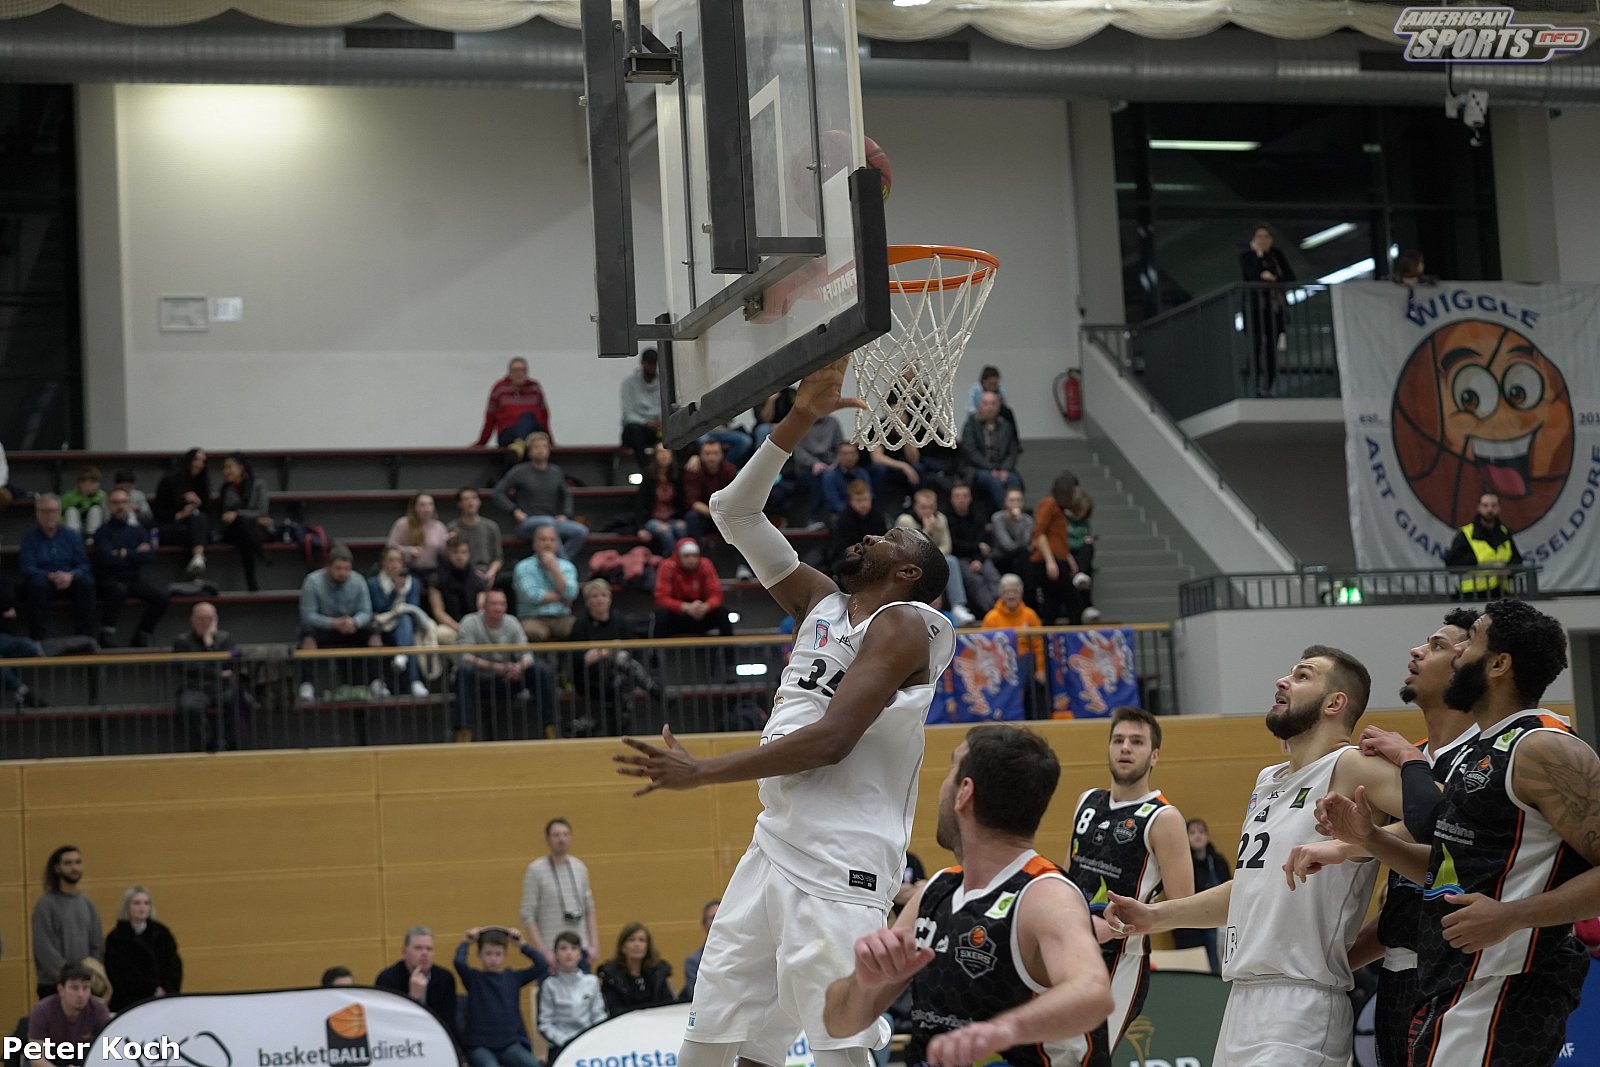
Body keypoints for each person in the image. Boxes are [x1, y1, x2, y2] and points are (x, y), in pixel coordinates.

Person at [613, 357, 957, 1067]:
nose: (867, 537)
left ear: (908, 572)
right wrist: (799, 419)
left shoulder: (905, 624)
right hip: (775, 842)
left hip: (841, 864)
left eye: (887, 539)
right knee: (713, 1041)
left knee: (838, 1051)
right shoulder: (821, 602)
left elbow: (831, 739)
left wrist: (704, 772)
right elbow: (732, 512)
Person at [1315, 600, 1598, 1067]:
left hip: (1509, 983)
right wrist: (1371, 839)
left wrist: (1511, 916)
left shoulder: (1544, 747)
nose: (1457, 652)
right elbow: (1449, 868)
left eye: (1470, 642)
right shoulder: (1475, 753)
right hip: (1453, 984)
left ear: (1499, 664)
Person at [1104, 645, 1407, 1067]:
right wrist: (1156, 916)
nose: (1283, 680)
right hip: (1241, 1001)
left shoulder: (1351, 766)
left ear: (1335, 703)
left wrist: (1352, 844)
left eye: (1303, 676)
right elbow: (1248, 889)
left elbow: (1446, 820)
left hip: (1302, 1004)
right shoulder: (1268, 779)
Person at [822, 725, 1114, 1064]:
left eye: (950, 770)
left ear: (964, 792)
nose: (941, 787)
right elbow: (838, 1025)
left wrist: (999, 1031)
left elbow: (1094, 993)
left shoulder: (1045, 894)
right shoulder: (936, 891)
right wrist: (864, 983)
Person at [1334, 609, 1480, 1067]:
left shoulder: (1488, 759)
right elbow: (1405, 906)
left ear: (1470, 663)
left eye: (1437, 646)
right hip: (1396, 979)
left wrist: (1344, 845)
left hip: (1463, 977)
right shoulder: (1399, 760)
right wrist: (1330, 965)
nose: (1417, 651)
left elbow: (1453, 854)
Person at [1064, 707, 1194, 1065]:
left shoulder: (1164, 817)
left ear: (1154, 756)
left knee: (1086, 1058)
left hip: (1121, 958)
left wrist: (1119, 927)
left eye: (1137, 742)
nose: (1125, 747)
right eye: (1118, 740)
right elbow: (1068, 877)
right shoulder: (1087, 801)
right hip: (1070, 949)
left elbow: (1184, 908)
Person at [455, 589, 556, 742]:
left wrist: (518, 667)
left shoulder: (512, 622)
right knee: (464, 671)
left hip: (508, 678)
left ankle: (551, 728)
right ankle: (464, 733)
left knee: (541, 670)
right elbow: (465, 657)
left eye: (502, 604)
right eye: (494, 604)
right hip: (480, 679)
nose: (498, 608)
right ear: (484, 606)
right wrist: (496, 667)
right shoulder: (470, 622)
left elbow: (527, 655)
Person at [569, 579, 661, 738]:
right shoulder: (580, 624)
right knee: (620, 659)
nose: (600, 599)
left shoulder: (619, 620)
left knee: (621, 678)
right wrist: (609, 650)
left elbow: (630, 650)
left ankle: (619, 733)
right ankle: (653, 689)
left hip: (618, 676)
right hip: (590, 678)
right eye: (594, 596)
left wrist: (602, 652)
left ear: (610, 599)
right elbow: (583, 659)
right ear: (587, 602)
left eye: (603, 595)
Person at [297, 544, 381, 702]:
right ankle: (307, 684)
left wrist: (354, 622)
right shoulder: (313, 581)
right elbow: (308, 615)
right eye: (338, 568)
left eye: (347, 568)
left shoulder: (358, 581)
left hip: (351, 628)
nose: (343, 573)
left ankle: (376, 681)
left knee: (373, 631)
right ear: (328, 567)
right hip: (324, 629)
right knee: (307, 632)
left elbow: (366, 611)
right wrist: (332, 623)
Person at [454, 927, 549, 1067]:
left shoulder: (513, 978)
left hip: (508, 1045)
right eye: (488, 954)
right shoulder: (473, 979)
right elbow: (458, 962)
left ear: (504, 956)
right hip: (480, 1047)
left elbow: (542, 965)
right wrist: (466, 942)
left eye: (498, 954)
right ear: (479, 955)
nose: (493, 959)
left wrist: (522, 945)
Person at [91, 487, 167, 647]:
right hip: (108, 579)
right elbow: (107, 559)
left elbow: (150, 556)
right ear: (109, 505)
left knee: (162, 596)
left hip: (133, 579)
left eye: (123, 502)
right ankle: (106, 632)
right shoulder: (102, 532)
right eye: (115, 502)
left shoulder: (137, 530)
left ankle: (143, 633)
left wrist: (124, 553)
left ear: (129, 504)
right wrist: (135, 554)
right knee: (119, 590)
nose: (120, 506)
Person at [491, 433, 587, 559]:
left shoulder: (556, 472)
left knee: (580, 531)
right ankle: (562, 567)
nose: (541, 450)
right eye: (536, 447)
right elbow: (497, 493)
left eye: (544, 447)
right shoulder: (519, 471)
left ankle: (559, 563)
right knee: (547, 525)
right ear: (529, 452)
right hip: (528, 522)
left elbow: (566, 495)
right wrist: (514, 510)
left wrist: (565, 514)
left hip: (552, 520)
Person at [521, 818, 600, 966]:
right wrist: (543, 951)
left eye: (565, 834)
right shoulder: (535, 870)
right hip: (550, 952)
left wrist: (594, 945)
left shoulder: (580, 868)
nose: (561, 839)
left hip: (580, 949)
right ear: (548, 840)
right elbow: (527, 915)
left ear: (571, 838)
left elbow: (589, 908)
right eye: (556, 835)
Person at [18, 495, 97, 642]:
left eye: (53, 511)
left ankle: (86, 638)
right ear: (37, 514)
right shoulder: (29, 538)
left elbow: (84, 564)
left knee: (86, 582)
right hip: (44, 580)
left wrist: (71, 575)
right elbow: (27, 567)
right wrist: (49, 576)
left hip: (69, 579)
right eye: (44, 511)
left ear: (59, 513)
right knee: (36, 585)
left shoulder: (72, 536)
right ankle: (39, 640)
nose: (49, 515)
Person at [895, 488, 977, 626]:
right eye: (923, 507)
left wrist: (933, 557)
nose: (928, 511)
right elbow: (910, 549)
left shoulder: (941, 519)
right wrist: (927, 531)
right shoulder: (906, 520)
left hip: (934, 559)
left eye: (931, 507)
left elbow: (947, 546)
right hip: (909, 560)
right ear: (915, 507)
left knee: (951, 560)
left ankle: (958, 607)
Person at [31, 846, 104, 1001]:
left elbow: (97, 945)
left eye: (78, 862)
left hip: (84, 987)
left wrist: (89, 974)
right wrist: (70, 979)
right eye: (68, 863)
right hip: (54, 986)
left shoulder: (87, 904)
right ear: (57, 868)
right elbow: (45, 950)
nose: (74, 868)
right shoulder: (46, 905)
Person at [173, 601, 245, 753]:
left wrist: (210, 645)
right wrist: (216, 672)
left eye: (210, 619)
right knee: (190, 707)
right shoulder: (182, 641)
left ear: (216, 620)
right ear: (192, 620)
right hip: (194, 687)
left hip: (222, 687)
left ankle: (228, 745)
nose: (206, 623)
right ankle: (204, 748)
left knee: (241, 701)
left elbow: (230, 663)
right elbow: (189, 668)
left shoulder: (225, 638)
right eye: (201, 619)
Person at [375, 927, 460, 1049]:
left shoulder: (445, 978)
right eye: (418, 948)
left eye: (429, 949)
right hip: (401, 1044)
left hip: (436, 1040)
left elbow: (448, 1022)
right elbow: (387, 1024)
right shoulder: (387, 979)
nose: (424, 953)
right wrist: (413, 998)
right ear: (404, 952)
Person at [103, 886, 183, 1011]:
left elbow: (174, 966)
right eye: (136, 903)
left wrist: (165, 989)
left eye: (146, 903)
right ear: (127, 907)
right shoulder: (116, 938)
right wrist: (150, 990)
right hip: (129, 1002)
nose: (142, 907)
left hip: (164, 1000)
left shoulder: (162, 933)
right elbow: (118, 973)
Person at [1239, 223, 1295, 397]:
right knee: (1255, 347)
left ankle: (1267, 387)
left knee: (1271, 349)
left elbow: (1290, 277)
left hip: (1274, 310)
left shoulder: (1277, 256)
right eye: (1259, 237)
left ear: (1271, 240)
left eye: (1266, 237)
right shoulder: (1247, 256)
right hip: (1255, 309)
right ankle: (1254, 387)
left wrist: (1274, 278)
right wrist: (1259, 255)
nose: (1263, 240)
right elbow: (1251, 276)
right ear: (1253, 240)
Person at [1169, 819, 1231, 974]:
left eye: (1201, 832)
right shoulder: (1182, 863)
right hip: (1193, 920)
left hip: (1219, 919)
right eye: (1192, 833)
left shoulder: (1218, 860)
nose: (1198, 836)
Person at [369, 546, 432, 698]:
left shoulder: (413, 583)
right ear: (383, 563)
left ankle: (406, 667)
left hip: (405, 626)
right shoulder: (373, 583)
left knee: (405, 620)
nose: (395, 564)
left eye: (398, 560)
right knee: (401, 629)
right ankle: (406, 677)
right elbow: (379, 608)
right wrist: (394, 593)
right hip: (382, 627)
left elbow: (413, 607)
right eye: (390, 560)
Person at [538, 931, 608, 1061]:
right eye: (563, 948)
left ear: (580, 955)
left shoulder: (591, 982)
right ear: (556, 954)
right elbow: (545, 1024)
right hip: (560, 1045)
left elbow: (599, 1016)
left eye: (574, 948)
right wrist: (566, 1041)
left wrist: (590, 1038)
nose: (569, 953)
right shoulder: (549, 985)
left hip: (589, 1043)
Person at [982, 574, 1045, 714]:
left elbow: (1039, 645)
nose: (1011, 595)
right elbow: (985, 648)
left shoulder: (1030, 615)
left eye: (1015, 591)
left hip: (1026, 665)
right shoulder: (991, 618)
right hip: (1000, 667)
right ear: (1001, 594)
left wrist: (1041, 670)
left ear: (1021, 594)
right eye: (1007, 592)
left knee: (1028, 661)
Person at [1030, 474, 1088, 626]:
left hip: (1055, 558)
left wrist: (1067, 556)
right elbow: (1040, 533)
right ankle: (1073, 638)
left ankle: (1048, 638)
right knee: (1074, 603)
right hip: (1048, 560)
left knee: (1052, 604)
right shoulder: (1049, 503)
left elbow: (1056, 536)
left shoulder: (1058, 508)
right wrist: (1050, 561)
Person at [26, 963, 109, 1067]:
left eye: (86, 988)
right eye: (74, 988)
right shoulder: (42, 1010)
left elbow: (108, 1053)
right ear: (61, 990)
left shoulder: (99, 1010)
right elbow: (36, 1058)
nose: (81, 994)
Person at [1443, 492, 1523, 597]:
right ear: (1479, 507)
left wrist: (1509, 571)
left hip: (1500, 592)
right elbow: (1451, 563)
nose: (1489, 509)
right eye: (1485, 505)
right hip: (1472, 594)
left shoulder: (1504, 532)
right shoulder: (1465, 533)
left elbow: (1517, 559)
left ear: (1499, 508)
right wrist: (1474, 560)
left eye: (1493, 505)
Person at [215, 452, 273, 592]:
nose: (226, 471)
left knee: (244, 531)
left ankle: (252, 583)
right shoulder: (225, 489)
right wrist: (248, 517)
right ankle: (261, 552)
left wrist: (238, 514)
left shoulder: (258, 484)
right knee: (241, 526)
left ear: (241, 468)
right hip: (233, 530)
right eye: (224, 468)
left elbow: (262, 511)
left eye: (229, 467)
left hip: (256, 530)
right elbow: (224, 516)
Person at [654, 539, 733, 639]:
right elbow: (661, 598)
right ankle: (657, 648)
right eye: (686, 556)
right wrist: (686, 607)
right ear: (679, 556)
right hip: (678, 614)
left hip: (701, 612)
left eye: (694, 556)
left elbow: (716, 594)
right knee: (661, 614)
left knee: (722, 612)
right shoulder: (667, 566)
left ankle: (729, 648)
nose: (691, 560)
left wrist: (706, 606)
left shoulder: (705, 564)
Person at [957, 392, 1022, 511]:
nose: (989, 407)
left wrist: (1005, 469)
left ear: (999, 406)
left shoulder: (1006, 426)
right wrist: (991, 469)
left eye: (993, 403)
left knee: (1013, 479)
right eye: (986, 403)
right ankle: (1006, 512)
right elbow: (970, 452)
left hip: (1003, 468)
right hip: (979, 468)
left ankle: (1018, 511)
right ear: (979, 406)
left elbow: (1012, 451)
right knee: (992, 480)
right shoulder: (971, 425)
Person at [152, 448, 211, 578]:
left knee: (199, 520)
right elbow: (158, 512)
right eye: (196, 459)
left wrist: (198, 503)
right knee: (195, 533)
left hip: (193, 527)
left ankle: (198, 557)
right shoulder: (169, 481)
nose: (199, 464)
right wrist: (179, 515)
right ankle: (198, 558)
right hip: (170, 526)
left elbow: (207, 515)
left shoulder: (202, 483)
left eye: (203, 461)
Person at [513, 525, 578, 641]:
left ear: (557, 544)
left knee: (578, 628)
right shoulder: (523, 567)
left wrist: (554, 569)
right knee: (533, 632)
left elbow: (571, 594)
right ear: (534, 544)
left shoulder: (567, 567)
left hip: (561, 617)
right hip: (532, 617)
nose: (548, 544)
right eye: (543, 539)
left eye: (552, 540)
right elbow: (532, 596)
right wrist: (561, 597)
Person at [597, 923, 675, 1017]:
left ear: (647, 947)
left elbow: (669, 1005)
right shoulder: (611, 977)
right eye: (631, 940)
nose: (637, 944)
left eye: (642, 940)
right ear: (623, 947)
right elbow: (615, 1010)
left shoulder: (658, 973)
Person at [945, 482, 999, 616]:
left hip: (979, 557)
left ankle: (1001, 606)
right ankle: (992, 613)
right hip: (959, 558)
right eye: (958, 496)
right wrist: (977, 548)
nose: (961, 499)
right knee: (975, 580)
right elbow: (954, 545)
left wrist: (978, 559)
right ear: (952, 499)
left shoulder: (978, 515)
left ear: (970, 498)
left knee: (992, 575)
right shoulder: (947, 518)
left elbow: (984, 542)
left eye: (965, 496)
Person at [473, 357, 551, 450]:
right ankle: (519, 445)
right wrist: (481, 443)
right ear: (509, 373)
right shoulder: (500, 389)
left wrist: (550, 442)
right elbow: (490, 418)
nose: (519, 374)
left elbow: (544, 417)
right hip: (508, 434)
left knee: (528, 417)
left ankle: (519, 446)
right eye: (516, 370)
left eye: (523, 370)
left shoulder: (534, 388)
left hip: (532, 435)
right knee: (525, 421)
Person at [428, 536, 486, 646]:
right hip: (450, 626)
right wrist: (458, 627)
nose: (460, 556)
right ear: (448, 554)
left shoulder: (478, 579)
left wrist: (471, 628)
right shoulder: (436, 579)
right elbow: (438, 611)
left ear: (469, 554)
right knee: (441, 633)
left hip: (474, 626)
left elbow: (481, 609)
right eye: (455, 552)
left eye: (463, 552)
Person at [822, 480, 887, 576]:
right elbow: (841, 550)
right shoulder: (843, 520)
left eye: (865, 499)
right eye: (858, 500)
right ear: (850, 501)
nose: (863, 504)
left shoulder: (878, 516)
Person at [635, 446, 688, 557]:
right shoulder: (648, 475)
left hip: (673, 518)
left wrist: (681, 519)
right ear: (655, 455)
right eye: (660, 452)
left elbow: (683, 501)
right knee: (665, 531)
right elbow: (640, 502)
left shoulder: (678, 474)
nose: (664, 455)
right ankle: (676, 560)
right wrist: (640, 528)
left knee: (681, 529)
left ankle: (679, 559)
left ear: (672, 455)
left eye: (667, 452)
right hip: (653, 519)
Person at [447, 487, 505, 589]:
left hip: (485, 570)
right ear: (459, 504)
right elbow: (449, 557)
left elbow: (498, 558)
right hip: (461, 571)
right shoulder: (451, 528)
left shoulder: (491, 527)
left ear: (479, 502)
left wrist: (491, 572)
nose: (471, 502)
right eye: (466, 499)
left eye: (474, 498)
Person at [682, 437, 737, 541]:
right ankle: (697, 549)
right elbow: (693, 502)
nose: (711, 457)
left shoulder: (729, 470)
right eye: (707, 454)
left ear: (722, 455)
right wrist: (713, 514)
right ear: (701, 455)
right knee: (692, 517)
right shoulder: (694, 469)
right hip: (705, 514)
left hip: (725, 514)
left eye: (715, 453)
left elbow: (734, 498)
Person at [387, 493, 449, 585]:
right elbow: (390, 548)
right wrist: (408, 551)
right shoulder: (403, 524)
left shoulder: (439, 527)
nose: (427, 509)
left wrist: (450, 544)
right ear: (414, 508)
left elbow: (444, 554)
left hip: (433, 571)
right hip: (408, 570)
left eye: (430, 504)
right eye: (422, 505)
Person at [620, 348, 664, 470]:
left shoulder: (664, 382)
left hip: (658, 427)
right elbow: (628, 413)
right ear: (642, 363)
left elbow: (666, 406)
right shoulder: (629, 383)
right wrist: (646, 422)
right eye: (649, 363)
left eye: (654, 363)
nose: (652, 367)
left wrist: (659, 422)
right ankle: (646, 470)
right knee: (634, 431)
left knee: (675, 434)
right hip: (638, 428)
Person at [680, 899, 721, 1003]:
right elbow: (697, 997)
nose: (718, 921)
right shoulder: (693, 962)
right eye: (713, 917)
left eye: (721, 916)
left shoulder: (742, 955)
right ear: (704, 924)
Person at [989, 487, 1034, 581]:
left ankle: (1028, 588)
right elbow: (1007, 546)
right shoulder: (998, 518)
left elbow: (1025, 542)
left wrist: (1019, 520)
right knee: (1022, 555)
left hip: (1021, 556)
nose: (1015, 503)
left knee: (1024, 556)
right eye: (1012, 500)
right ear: (1006, 502)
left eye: (1019, 500)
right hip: (1001, 557)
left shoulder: (1027, 520)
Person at [59, 467, 105, 539]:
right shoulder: (69, 497)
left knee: (96, 509)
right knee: (71, 511)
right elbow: (59, 515)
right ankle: (74, 538)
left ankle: (91, 538)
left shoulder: (102, 496)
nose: (96, 486)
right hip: (74, 528)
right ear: (81, 483)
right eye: (92, 482)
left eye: (97, 482)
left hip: (95, 529)